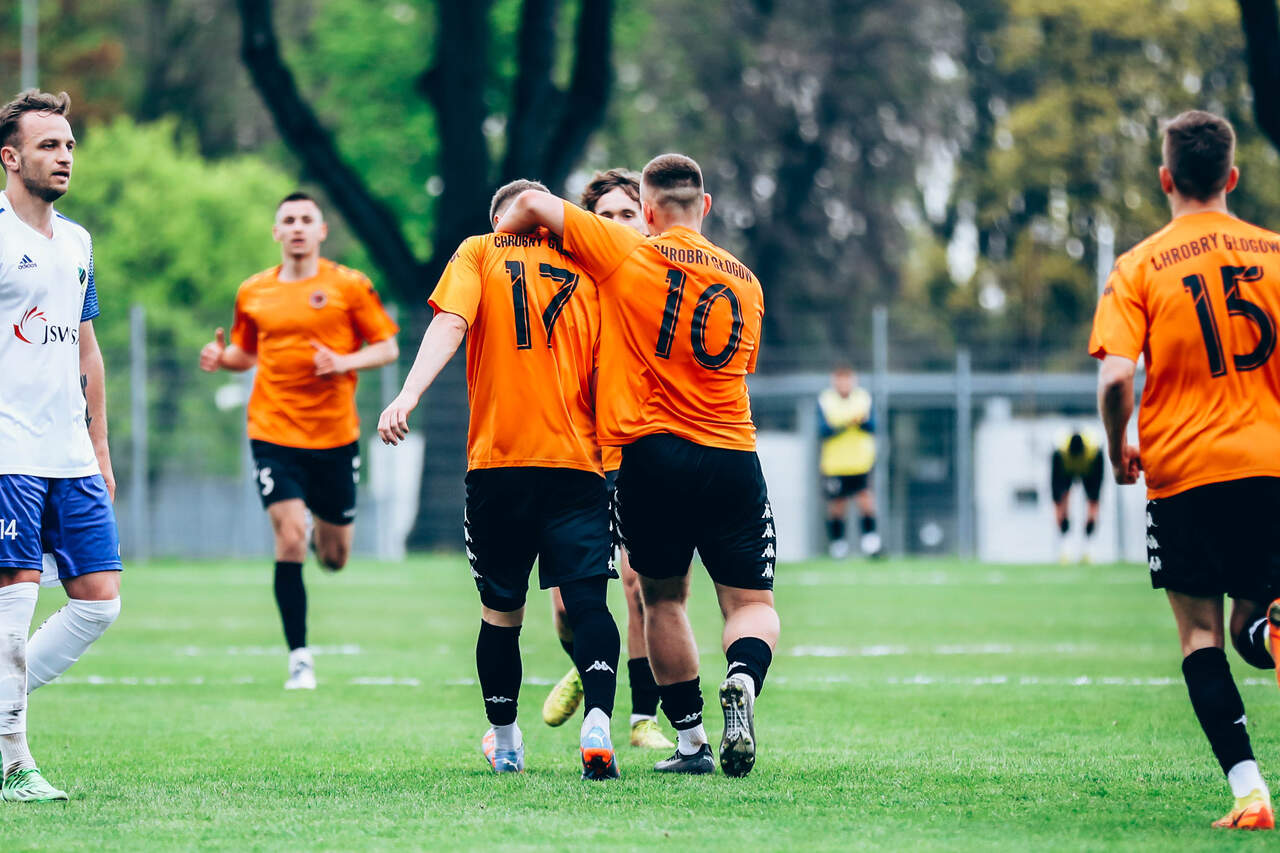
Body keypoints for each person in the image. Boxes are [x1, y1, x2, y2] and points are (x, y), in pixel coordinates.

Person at [496, 153, 781, 778]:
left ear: (647, 211)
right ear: (706, 206)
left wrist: (499, 248)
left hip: (651, 457)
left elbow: (533, 202)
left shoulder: (631, 255)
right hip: (732, 452)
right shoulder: (748, 283)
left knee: (661, 601)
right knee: (751, 604)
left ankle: (692, 742)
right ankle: (742, 676)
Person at [378, 179, 622, 781]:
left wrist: (407, 394)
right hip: (577, 463)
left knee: (500, 613)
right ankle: (598, 723)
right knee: (588, 603)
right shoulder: (587, 262)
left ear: (499, 220)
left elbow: (451, 322)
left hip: (499, 465)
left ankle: (507, 741)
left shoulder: (480, 251)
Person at [1091, 109, 1280, 831]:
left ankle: (1250, 793)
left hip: (1185, 474)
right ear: (1233, 177)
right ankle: (1270, 630)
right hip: (1271, 465)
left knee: (1202, 637)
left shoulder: (1140, 265)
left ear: (1166, 179)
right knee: (1254, 625)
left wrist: (1119, 449)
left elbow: (1116, 377)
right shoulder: (1276, 255)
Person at [199, 192, 398, 690]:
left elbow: (388, 347)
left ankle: (317, 531)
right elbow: (246, 354)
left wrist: (343, 361)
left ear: (321, 231)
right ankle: (300, 660)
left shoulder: (349, 286)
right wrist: (221, 359)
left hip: (334, 436)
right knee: (288, 537)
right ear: (276, 232)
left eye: (306, 219)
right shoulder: (254, 292)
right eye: (288, 220)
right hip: (273, 430)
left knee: (334, 558)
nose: (297, 227)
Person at [0, 89, 123, 803]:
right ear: (10, 157)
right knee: (14, 602)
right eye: (48, 145)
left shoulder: (78, 242)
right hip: (8, 452)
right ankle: (14, 763)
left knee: (99, 603)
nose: (65, 156)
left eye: (69, 145)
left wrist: (100, 449)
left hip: (70, 452)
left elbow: (86, 348)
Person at [541, 169, 673, 752]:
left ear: (647, 219)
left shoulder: (659, 280)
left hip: (634, 450)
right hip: (572, 452)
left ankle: (643, 718)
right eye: (606, 216)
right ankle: (587, 662)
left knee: (641, 582)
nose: (618, 224)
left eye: (628, 214)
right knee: (568, 606)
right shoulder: (568, 281)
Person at [817, 364, 880, 558]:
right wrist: (847, 422)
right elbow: (823, 430)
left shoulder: (863, 398)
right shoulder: (826, 400)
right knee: (837, 506)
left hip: (860, 463)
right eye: (840, 380)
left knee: (866, 501)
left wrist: (858, 422)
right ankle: (838, 545)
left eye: (847, 380)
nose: (844, 384)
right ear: (834, 381)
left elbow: (873, 425)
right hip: (835, 464)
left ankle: (870, 543)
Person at [1050, 428, 1103, 563]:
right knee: (1061, 504)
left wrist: (1094, 503)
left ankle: (1088, 547)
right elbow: (1055, 486)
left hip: (1090, 469)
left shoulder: (1095, 449)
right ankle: (1065, 546)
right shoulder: (1059, 450)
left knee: (1093, 504)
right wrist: (1058, 504)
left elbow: (1096, 492)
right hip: (1065, 470)